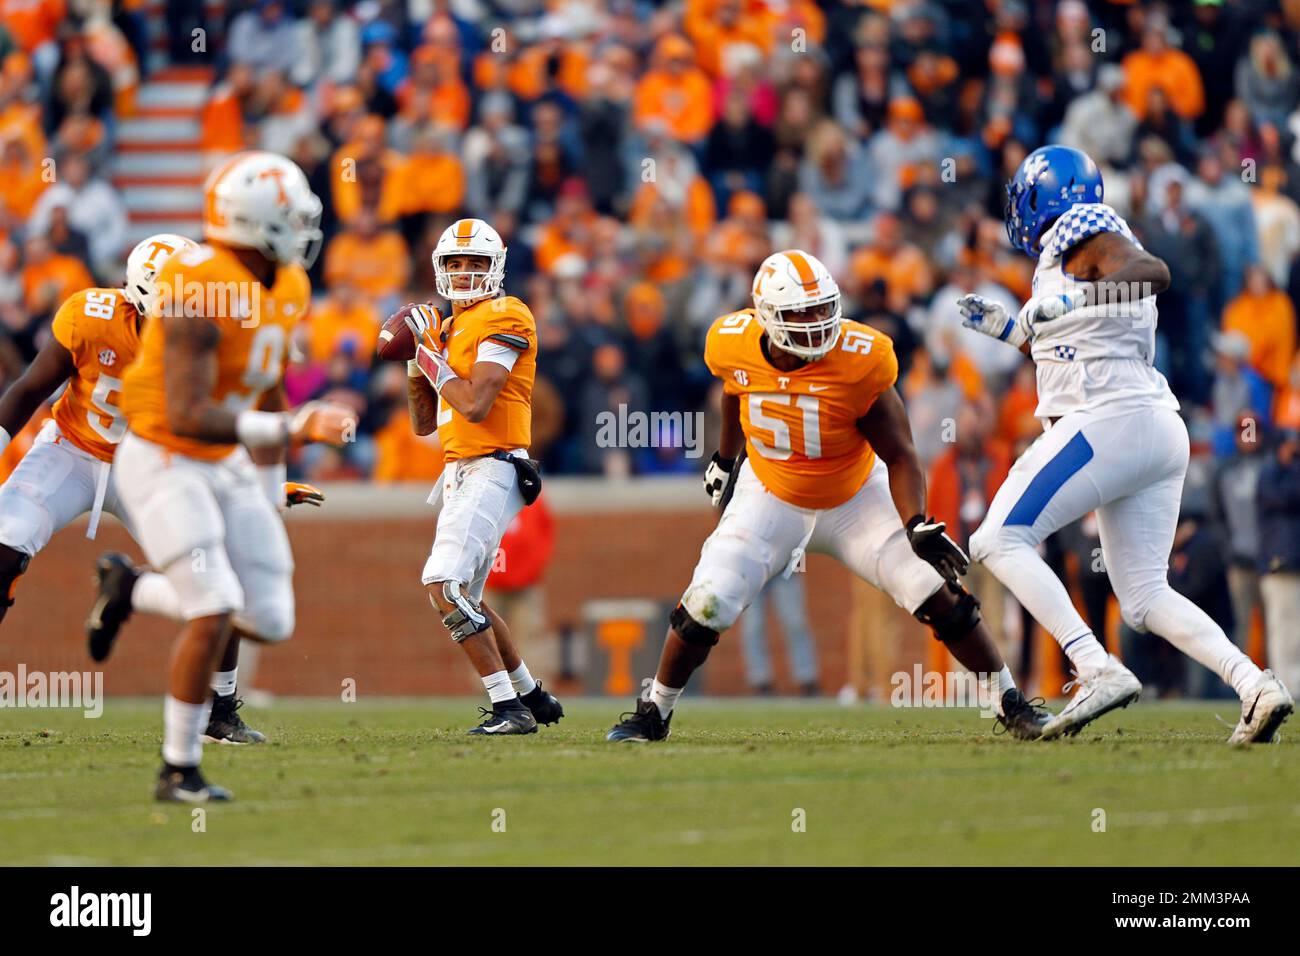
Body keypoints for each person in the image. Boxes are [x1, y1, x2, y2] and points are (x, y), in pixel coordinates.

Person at [606, 249, 1051, 743]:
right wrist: (726, 458)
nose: (817, 323)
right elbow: (736, 387)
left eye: (823, 308)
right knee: (707, 602)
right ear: (768, 316)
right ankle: (655, 711)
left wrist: (916, 523)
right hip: (771, 492)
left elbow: (901, 454)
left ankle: (1011, 703)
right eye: (802, 313)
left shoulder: (862, 358)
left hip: (854, 496)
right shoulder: (731, 342)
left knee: (934, 591)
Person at [958, 145, 1292, 744]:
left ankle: (1093, 666)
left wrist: (1076, 297)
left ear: (1046, 193)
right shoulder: (1067, 258)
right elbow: (1074, 348)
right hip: (1150, 425)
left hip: (1108, 420)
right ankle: (1255, 685)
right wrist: (1013, 330)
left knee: (996, 537)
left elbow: (1154, 271)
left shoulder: (1083, 225)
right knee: (1142, 596)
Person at [102, 152, 354, 802]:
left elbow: (264, 383)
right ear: (258, 222)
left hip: (229, 460)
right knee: (213, 605)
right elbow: (187, 413)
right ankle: (178, 767)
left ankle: (131, 589)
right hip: (163, 453)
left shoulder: (287, 285)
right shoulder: (199, 286)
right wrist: (293, 430)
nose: (303, 228)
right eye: (292, 216)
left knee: (268, 618)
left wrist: (271, 488)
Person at [403, 218, 563, 735]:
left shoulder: (506, 313)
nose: (466, 273)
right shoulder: (447, 329)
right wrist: (416, 363)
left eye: (475, 263)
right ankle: (531, 695)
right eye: (456, 263)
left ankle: (507, 708)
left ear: (495, 268)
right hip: (459, 470)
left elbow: (474, 404)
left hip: (493, 464)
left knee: (442, 584)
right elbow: (425, 422)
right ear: (440, 269)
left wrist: (429, 358)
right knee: (466, 598)